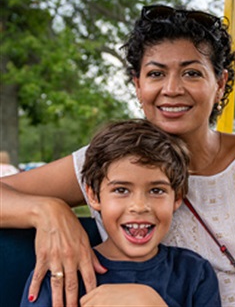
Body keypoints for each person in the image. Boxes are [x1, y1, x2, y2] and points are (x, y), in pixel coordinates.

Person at [0, 4, 235, 307]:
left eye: (191, 72)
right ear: (138, 85)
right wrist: (48, 210)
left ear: (219, 83)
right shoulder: (108, 159)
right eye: (156, 73)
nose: (172, 89)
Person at [19, 119, 221, 306]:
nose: (140, 206)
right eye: (121, 190)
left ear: (177, 197)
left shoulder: (194, 273)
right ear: (94, 196)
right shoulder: (60, 272)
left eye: (156, 190)